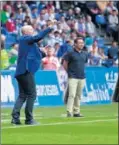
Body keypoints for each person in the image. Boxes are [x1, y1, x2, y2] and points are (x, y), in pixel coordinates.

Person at [11, 24, 53, 125]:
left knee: (22, 95)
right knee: (32, 94)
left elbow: (36, 55)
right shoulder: (25, 38)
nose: (32, 30)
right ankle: (29, 119)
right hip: (26, 70)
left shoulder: (29, 43)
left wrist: (43, 52)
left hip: (21, 71)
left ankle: (15, 118)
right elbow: (37, 37)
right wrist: (49, 28)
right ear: (25, 32)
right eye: (30, 29)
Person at [63, 37, 88, 117]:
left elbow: (85, 64)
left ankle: (76, 112)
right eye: (79, 43)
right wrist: (69, 72)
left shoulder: (85, 53)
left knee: (78, 95)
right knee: (72, 94)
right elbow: (64, 63)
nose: (81, 44)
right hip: (73, 76)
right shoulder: (70, 53)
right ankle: (69, 112)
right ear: (75, 44)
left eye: (82, 43)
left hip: (82, 77)